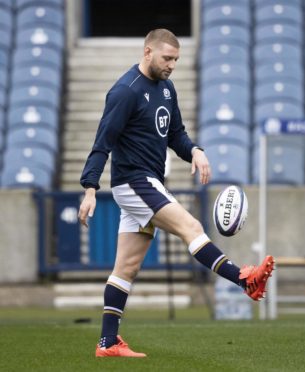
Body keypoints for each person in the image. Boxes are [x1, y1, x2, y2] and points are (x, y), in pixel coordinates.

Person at [78, 29, 275, 358]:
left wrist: (195, 150)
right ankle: (242, 279)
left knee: (126, 268)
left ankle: (108, 342)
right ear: (147, 52)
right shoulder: (125, 92)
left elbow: (176, 134)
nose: (171, 65)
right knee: (192, 228)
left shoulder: (167, 89)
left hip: (147, 182)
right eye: (167, 58)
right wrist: (89, 188)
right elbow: (103, 141)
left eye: (176, 60)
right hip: (134, 181)